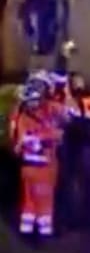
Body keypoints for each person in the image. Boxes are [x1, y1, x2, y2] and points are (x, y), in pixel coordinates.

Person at [9, 73, 70, 237]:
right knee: (44, 203)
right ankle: (44, 233)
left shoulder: (19, 115)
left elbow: (18, 141)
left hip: (27, 168)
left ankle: (26, 229)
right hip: (42, 168)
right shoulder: (44, 114)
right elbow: (64, 115)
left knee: (29, 202)